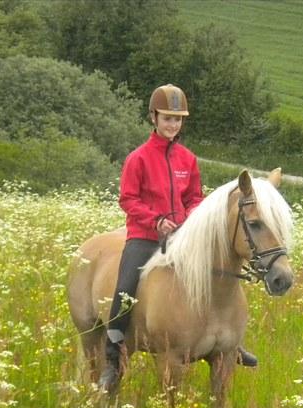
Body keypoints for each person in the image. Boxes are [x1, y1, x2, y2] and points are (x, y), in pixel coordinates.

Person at [100, 84, 258, 390]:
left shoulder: (188, 159)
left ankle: (229, 341)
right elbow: (128, 199)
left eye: (178, 119)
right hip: (144, 237)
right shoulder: (139, 159)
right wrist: (156, 221)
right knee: (125, 288)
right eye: (167, 118)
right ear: (154, 118)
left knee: (217, 278)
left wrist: (187, 220)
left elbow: (195, 198)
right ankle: (111, 359)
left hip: (183, 236)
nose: (173, 124)